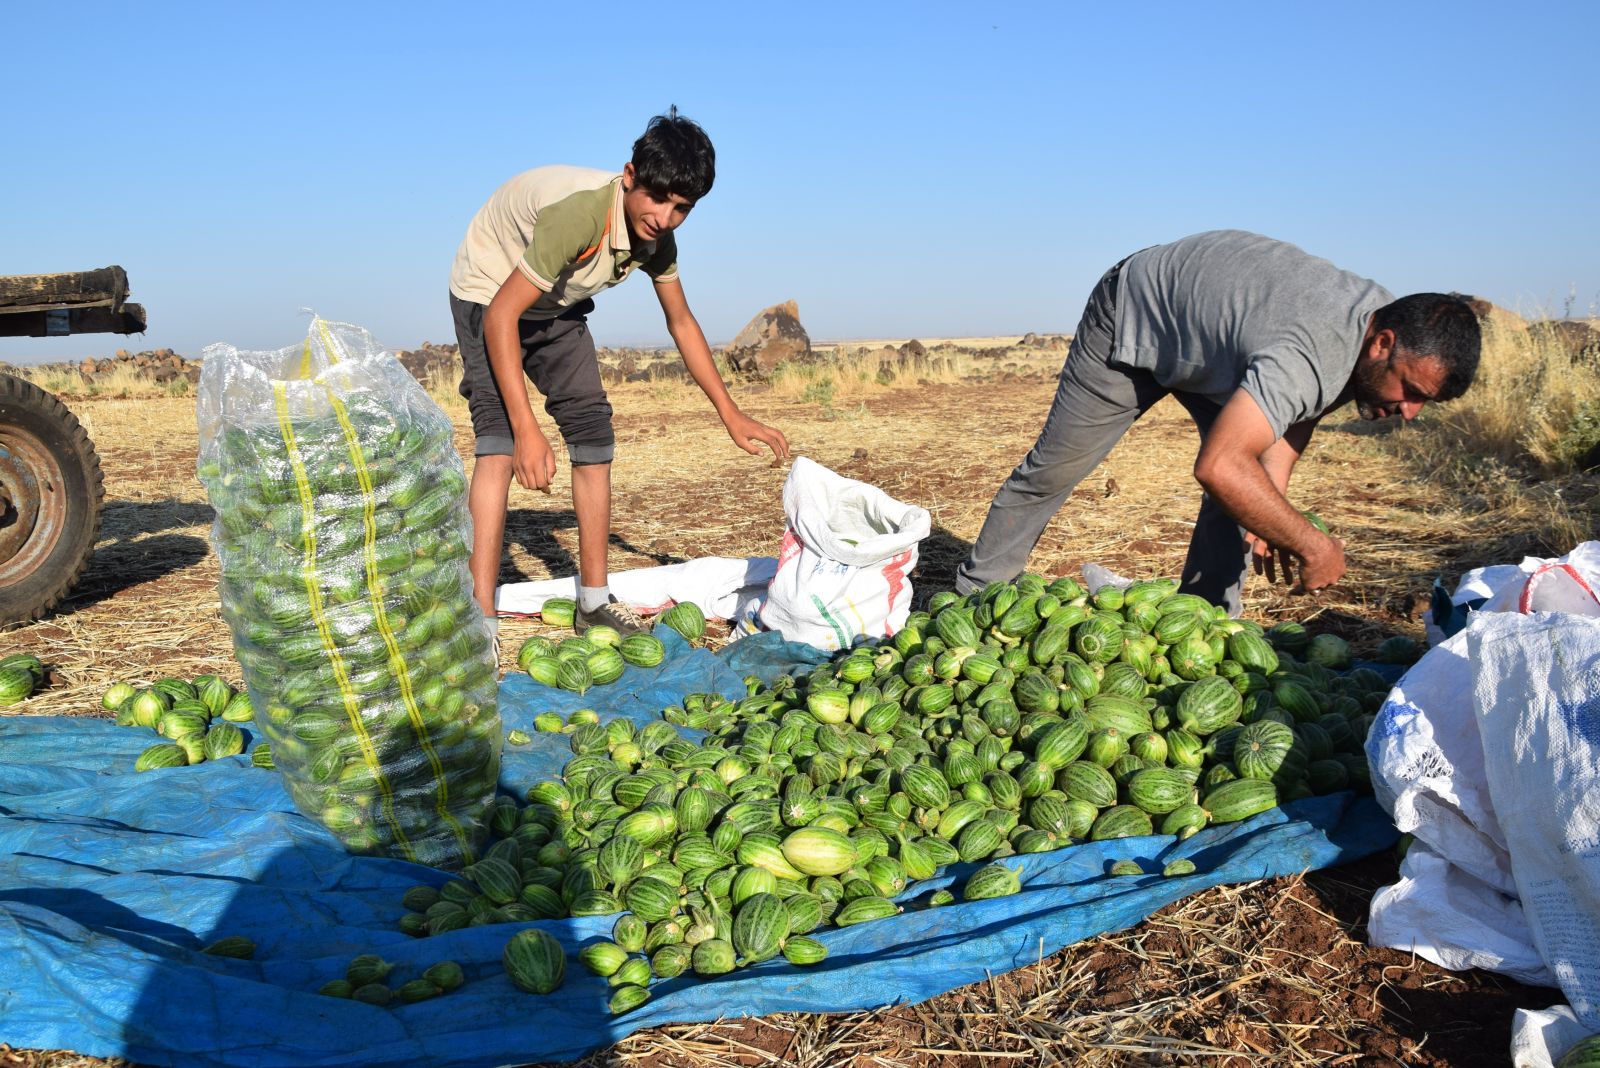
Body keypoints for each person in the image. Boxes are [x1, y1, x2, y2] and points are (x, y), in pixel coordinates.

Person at [954, 229, 1482, 614]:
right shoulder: (1316, 349)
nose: (1408, 413)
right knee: (1054, 469)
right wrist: (1313, 544)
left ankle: (1203, 627)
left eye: (1423, 403)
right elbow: (1220, 465)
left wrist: (1268, 513)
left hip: (1220, 346)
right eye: (1410, 392)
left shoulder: (1379, 335)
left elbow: (1295, 417)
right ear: (1382, 343)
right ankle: (972, 597)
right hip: (1135, 316)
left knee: (1248, 500)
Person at [448, 108, 789, 641]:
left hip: (554, 303)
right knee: (497, 442)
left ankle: (593, 603)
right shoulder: (579, 217)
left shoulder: (657, 239)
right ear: (629, 176)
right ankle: (479, 623)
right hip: (491, 294)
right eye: (658, 198)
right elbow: (500, 316)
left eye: (683, 208)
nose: (666, 217)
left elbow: (680, 321)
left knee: (593, 435)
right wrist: (527, 429)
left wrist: (731, 412)